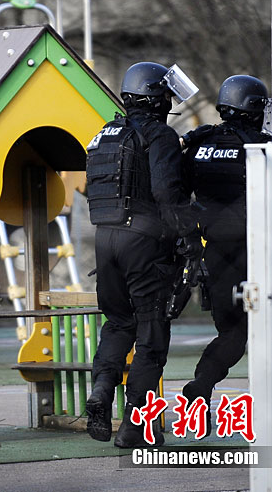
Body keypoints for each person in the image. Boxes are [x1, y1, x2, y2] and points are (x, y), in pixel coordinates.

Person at [85, 61, 202, 448]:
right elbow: (167, 192)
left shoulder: (105, 135)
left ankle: (101, 390)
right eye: (166, 95)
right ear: (155, 98)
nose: (169, 101)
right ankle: (134, 428)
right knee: (151, 334)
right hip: (143, 242)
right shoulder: (159, 134)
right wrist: (190, 238)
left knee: (119, 324)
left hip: (105, 240)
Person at [180, 74, 270, 435]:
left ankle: (201, 384)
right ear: (253, 109)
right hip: (258, 253)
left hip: (214, 253)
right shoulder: (261, 147)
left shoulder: (199, 145)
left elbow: (176, 193)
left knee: (232, 333)